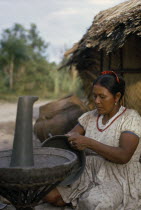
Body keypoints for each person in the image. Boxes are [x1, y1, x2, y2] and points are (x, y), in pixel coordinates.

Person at [43, 71, 141, 210]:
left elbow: (124, 156)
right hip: (87, 172)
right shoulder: (89, 117)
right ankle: (77, 199)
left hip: (118, 178)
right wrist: (66, 140)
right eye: (94, 96)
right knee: (48, 194)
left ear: (117, 97)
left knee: (92, 202)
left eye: (102, 97)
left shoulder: (130, 119)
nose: (96, 101)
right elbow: (69, 138)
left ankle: (82, 199)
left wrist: (89, 142)